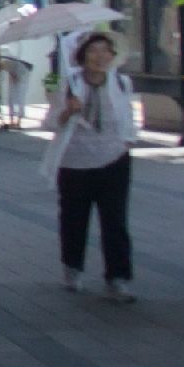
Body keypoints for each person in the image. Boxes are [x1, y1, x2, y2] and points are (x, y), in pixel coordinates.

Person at [46, 31, 137, 302]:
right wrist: (68, 111)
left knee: (115, 221)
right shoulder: (70, 83)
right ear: (82, 55)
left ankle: (118, 277)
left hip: (114, 159)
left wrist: (127, 142)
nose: (100, 56)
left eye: (105, 51)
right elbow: (51, 123)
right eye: (93, 51)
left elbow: (129, 118)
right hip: (75, 162)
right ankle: (72, 268)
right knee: (74, 218)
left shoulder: (121, 82)